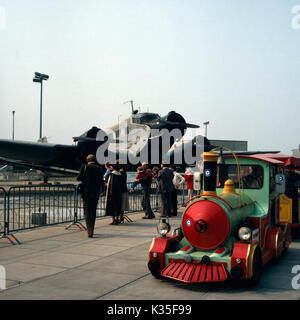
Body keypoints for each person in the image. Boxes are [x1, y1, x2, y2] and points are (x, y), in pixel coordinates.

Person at [77, 154, 104, 238]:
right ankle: (92, 228)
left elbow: (79, 178)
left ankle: (89, 230)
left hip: (86, 193)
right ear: (95, 160)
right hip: (95, 193)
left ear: (87, 160)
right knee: (93, 211)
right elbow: (101, 181)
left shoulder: (84, 167)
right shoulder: (100, 169)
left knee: (87, 212)